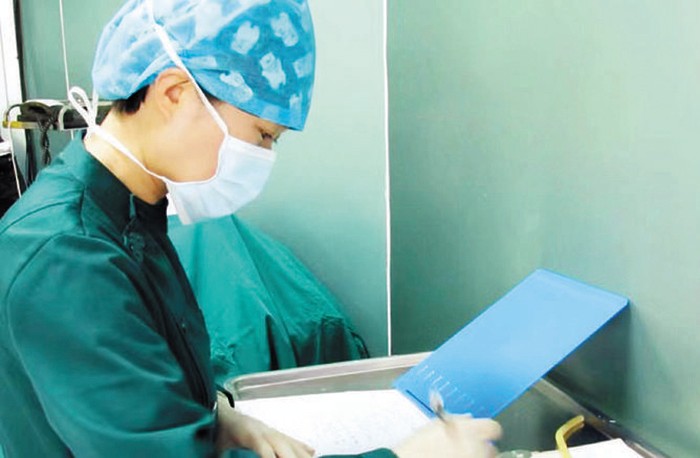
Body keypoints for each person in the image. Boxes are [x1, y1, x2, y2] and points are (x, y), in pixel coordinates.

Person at [0, 0, 502, 457]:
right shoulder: (65, 259)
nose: (262, 158)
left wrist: (216, 417)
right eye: (262, 135)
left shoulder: (129, 216)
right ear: (175, 93)